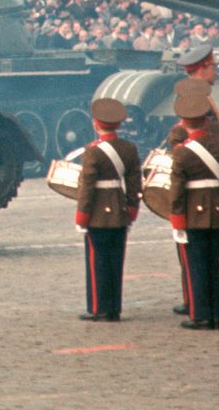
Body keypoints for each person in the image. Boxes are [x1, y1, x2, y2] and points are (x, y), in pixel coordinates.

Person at [168, 82, 219, 330]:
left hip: (193, 214)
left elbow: (177, 189)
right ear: (206, 120)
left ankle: (201, 315)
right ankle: (216, 313)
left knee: (197, 266)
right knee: (214, 265)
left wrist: (176, 219)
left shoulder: (182, 152)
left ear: (185, 123)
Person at [75, 96, 141, 322]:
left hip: (97, 213)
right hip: (119, 209)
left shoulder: (93, 151)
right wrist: (132, 207)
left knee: (97, 262)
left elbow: (87, 186)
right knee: (116, 262)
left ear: (96, 124)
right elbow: (134, 182)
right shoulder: (128, 148)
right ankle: (114, 308)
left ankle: (99, 308)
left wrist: (82, 215)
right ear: (119, 124)